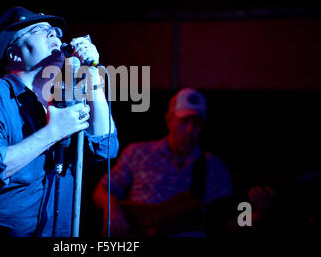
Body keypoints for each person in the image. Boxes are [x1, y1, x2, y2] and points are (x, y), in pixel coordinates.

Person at [0, 6, 118, 237]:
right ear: (13, 52)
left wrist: (92, 75)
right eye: (40, 29)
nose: (54, 34)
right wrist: (52, 132)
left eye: (56, 31)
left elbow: (105, 148)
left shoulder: (63, 99)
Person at [93, 88, 274, 237]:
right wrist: (112, 209)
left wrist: (258, 215)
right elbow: (101, 189)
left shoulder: (214, 167)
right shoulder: (138, 152)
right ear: (169, 120)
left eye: (197, 123)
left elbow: (227, 223)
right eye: (184, 121)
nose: (190, 129)